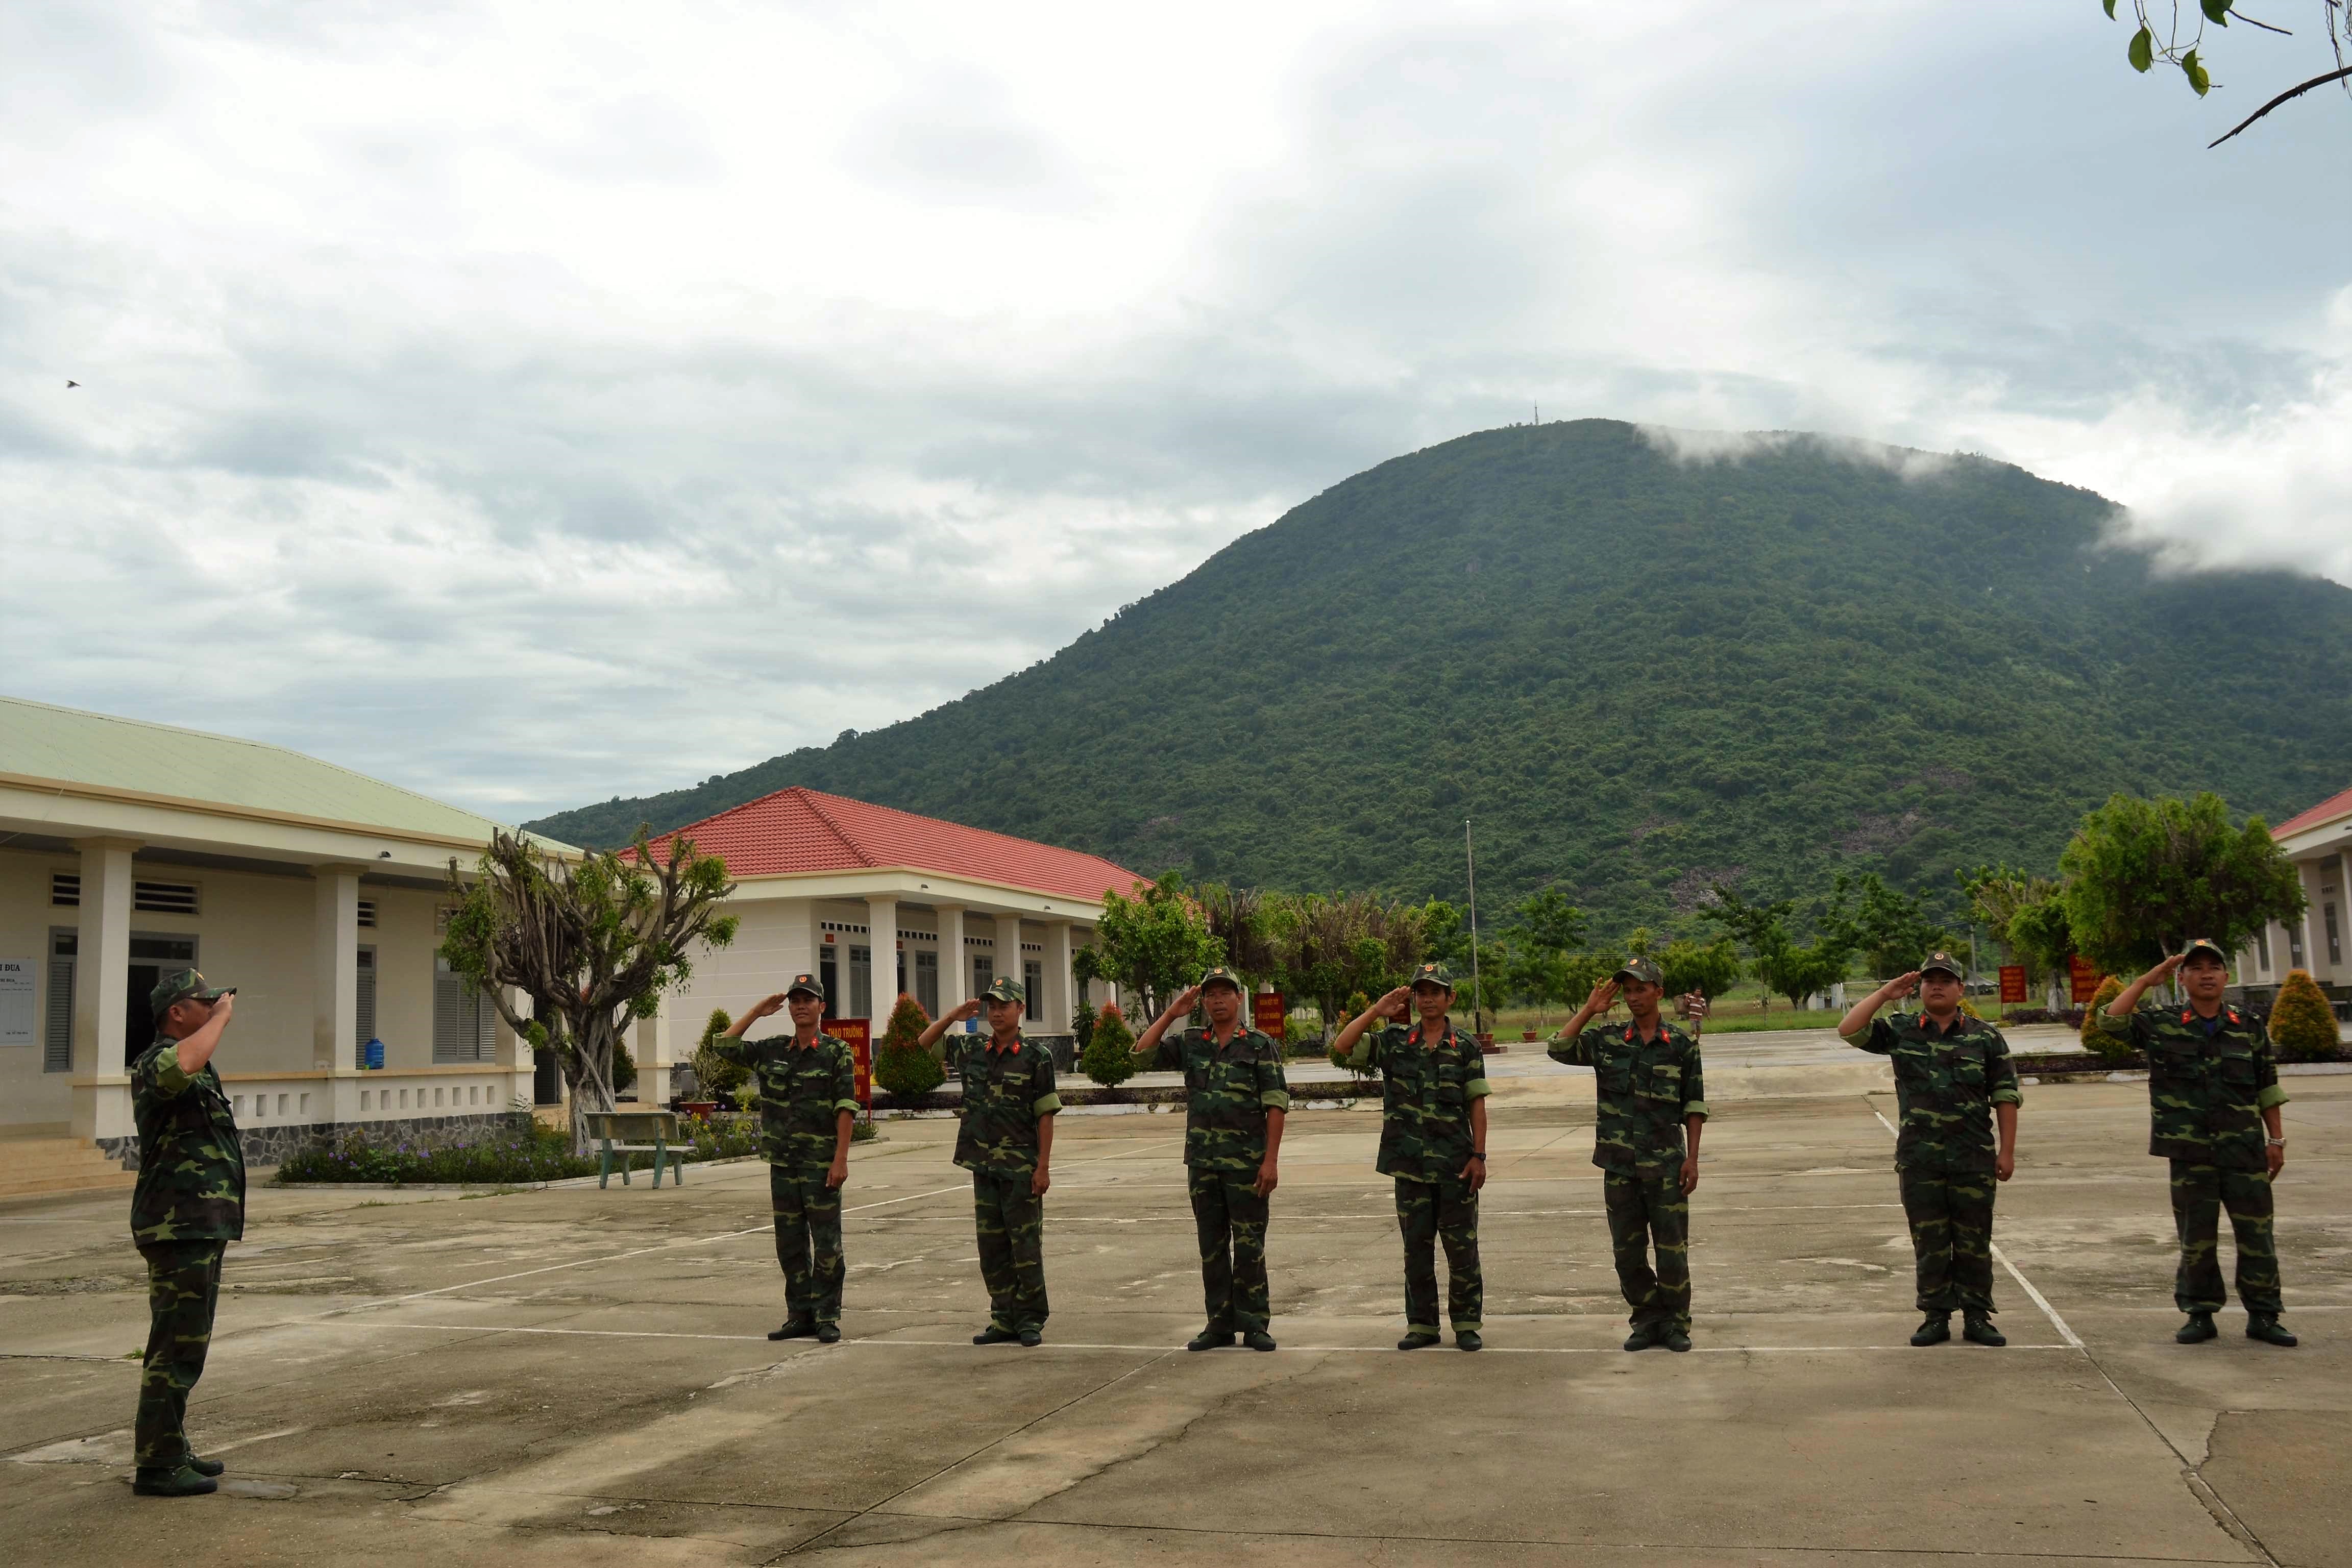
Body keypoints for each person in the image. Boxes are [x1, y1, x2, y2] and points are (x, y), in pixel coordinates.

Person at [2096, 939, 2295, 1347]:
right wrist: (2147, 980)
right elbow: (2110, 1022)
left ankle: (2264, 1315)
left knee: (2257, 1237)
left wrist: (2275, 1139)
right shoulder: (2164, 1023)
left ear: (2226, 976)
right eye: (2196, 968)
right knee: (2196, 1238)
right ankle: (2199, 1314)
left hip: (2244, 1151)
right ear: (2182, 978)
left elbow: (2267, 1086)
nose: (2206, 974)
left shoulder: (2249, 1026)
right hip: (2190, 1153)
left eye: (2214, 967)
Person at [1839, 952, 2021, 1348]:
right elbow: (1849, 1030)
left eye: (1945, 979)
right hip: (1920, 1160)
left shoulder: (1985, 1037)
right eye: (1929, 980)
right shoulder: (1902, 1031)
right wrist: (1886, 993)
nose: (1936, 986)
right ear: (1919, 988)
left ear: (1961, 988)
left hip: (1973, 1158)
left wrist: (2007, 1153)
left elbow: (2006, 1096)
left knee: (1974, 1242)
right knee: (1930, 1243)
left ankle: (1977, 1316)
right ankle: (1935, 1316)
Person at [1547, 957, 1709, 1352]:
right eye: (1628, 990)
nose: (1634, 997)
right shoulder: (1608, 1040)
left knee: (1672, 1252)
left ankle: (1675, 1324)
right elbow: (1559, 1048)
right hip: (1619, 1167)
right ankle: (1647, 1318)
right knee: (1627, 1254)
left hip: (1667, 1165)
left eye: (1641, 988)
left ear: (1659, 992)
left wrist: (1693, 1159)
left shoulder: (1682, 1045)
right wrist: (1588, 1010)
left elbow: (1695, 1105)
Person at [1330, 961, 1489, 1351]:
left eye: (1436, 992)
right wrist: (1376, 1011)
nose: (1428, 999)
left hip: (1456, 1167)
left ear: (1450, 998)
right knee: (1416, 1251)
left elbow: (1477, 1104)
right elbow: (1343, 1046)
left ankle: (1467, 1323)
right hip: (1410, 1168)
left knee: (1462, 1250)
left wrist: (1479, 1155)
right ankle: (1422, 1326)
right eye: (1421, 992)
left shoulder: (1465, 1046)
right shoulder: (1396, 1041)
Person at [1131, 965, 1291, 1352]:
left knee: (1250, 1245)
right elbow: (1140, 1056)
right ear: (1203, 1002)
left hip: (1247, 1165)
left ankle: (1255, 1324)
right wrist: (1171, 1014)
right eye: (1211, 994)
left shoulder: (1258, 1044)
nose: (1218, 1000)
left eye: (1225, 993)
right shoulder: (1191, 1041)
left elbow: (1276, 1104)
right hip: (1203, 1163)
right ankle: (1219, 1324)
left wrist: (1270, 1161)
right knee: (1212, 1247)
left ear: (1239, 999)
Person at [128, 970, 243, 1498]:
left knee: (186, 1345)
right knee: (174, 1347)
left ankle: (171, 1446)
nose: (215, 1004)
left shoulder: (194, 1064)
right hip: (176, 1225)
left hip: (197, 1225)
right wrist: (221, 1017)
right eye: (203, 1001)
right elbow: (185, 1063)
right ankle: (158, 1464)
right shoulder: (157, 1061)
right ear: (177, 1012)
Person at [704, 972, 860, 1343]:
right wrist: (757, 1012)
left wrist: (841, 1160)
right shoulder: (773, 1049)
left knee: (826, 1246)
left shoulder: (836, 1053)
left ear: (822, 1007)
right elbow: (722, 1046)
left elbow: (845, 1108)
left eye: (808, 1000)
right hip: (784, 1164)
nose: (800, 1006)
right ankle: (799, 1315)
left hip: (821, 1164)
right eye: (795, 1000)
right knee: (789, 1245)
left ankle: (827, 1316)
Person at [919, 975, 1061, 1346]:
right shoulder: (971, 1049)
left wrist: (1043, 1166)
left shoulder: (1036, 1057)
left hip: (1021, 1168)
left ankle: (1029, 1320)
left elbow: (1045, 1114)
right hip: (982, 1165)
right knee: (992, 1248)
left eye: (1004, 1005)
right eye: (991, 1007)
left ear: (1020, 1009)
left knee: (1025, 1248)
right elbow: (925, 1041)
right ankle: (1003, 1318)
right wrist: (953, 1015)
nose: (996, 1013)